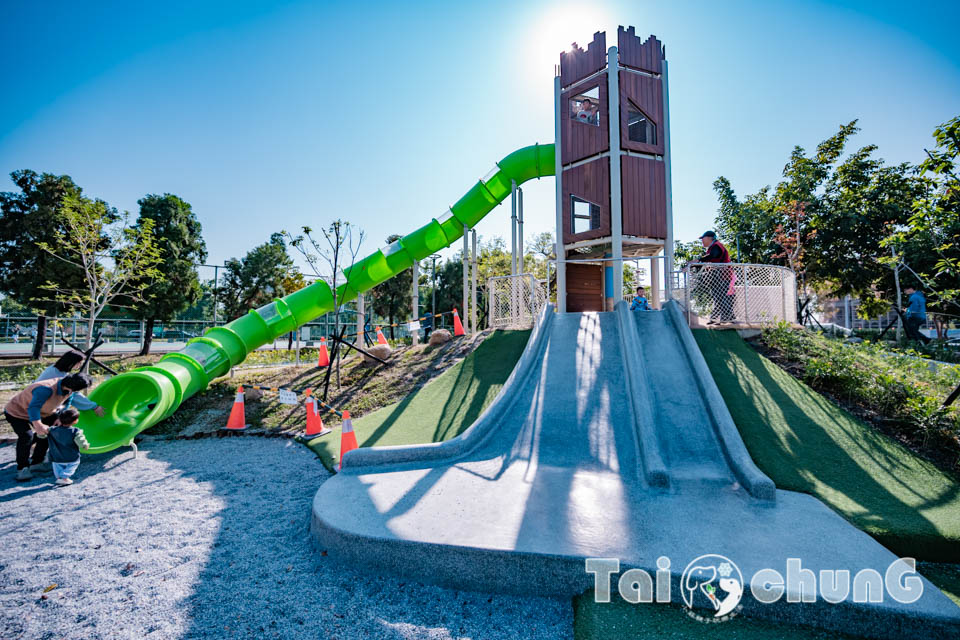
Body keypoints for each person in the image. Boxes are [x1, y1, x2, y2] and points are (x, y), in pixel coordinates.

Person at [3, 373, 101, 481]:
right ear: (73, 386)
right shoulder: (45, 389)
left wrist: (60, 416)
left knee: (52, 431)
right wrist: (38, 425)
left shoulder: (69, 389)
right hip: (17, 412)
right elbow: (33, 408)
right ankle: (22, 468)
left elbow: (68, 400)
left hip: (44, 412)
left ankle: (37, 462)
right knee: (26, 436)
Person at [42, 407, 88, 486]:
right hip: (71, 455)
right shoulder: (75, 431)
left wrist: (41, 433)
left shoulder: (52, 430)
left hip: (56, 455)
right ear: (75, 421)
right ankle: (64, 477)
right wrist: (85, 445)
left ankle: (60, 478)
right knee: (74, 463)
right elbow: (80, 440)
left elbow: (41, 435)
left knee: (57, 466)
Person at [698, 230, 735, 324]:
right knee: (717, 297)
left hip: (722, 275)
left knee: (720, 297)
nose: (702, 240)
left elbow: (713, 255)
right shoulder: (713, 247)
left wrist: (699, 260)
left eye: (703, 238)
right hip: (719, 275)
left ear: (710, 238)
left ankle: (727, 317)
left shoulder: (717, 246)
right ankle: (717, 318)